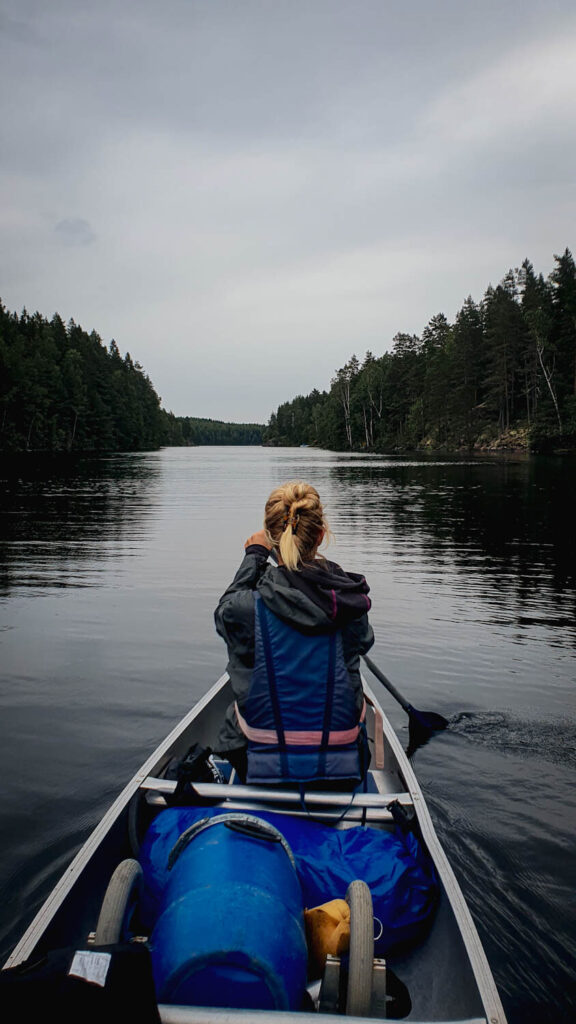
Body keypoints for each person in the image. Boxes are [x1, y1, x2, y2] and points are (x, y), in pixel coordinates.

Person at [214, 480, 375, 785]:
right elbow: (364, 642)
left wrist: (254, 557)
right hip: (340, 765)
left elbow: (225, 614)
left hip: (256, 760)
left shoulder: (246, 610)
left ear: (272, 538)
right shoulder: (351, 607)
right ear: (321, 535)